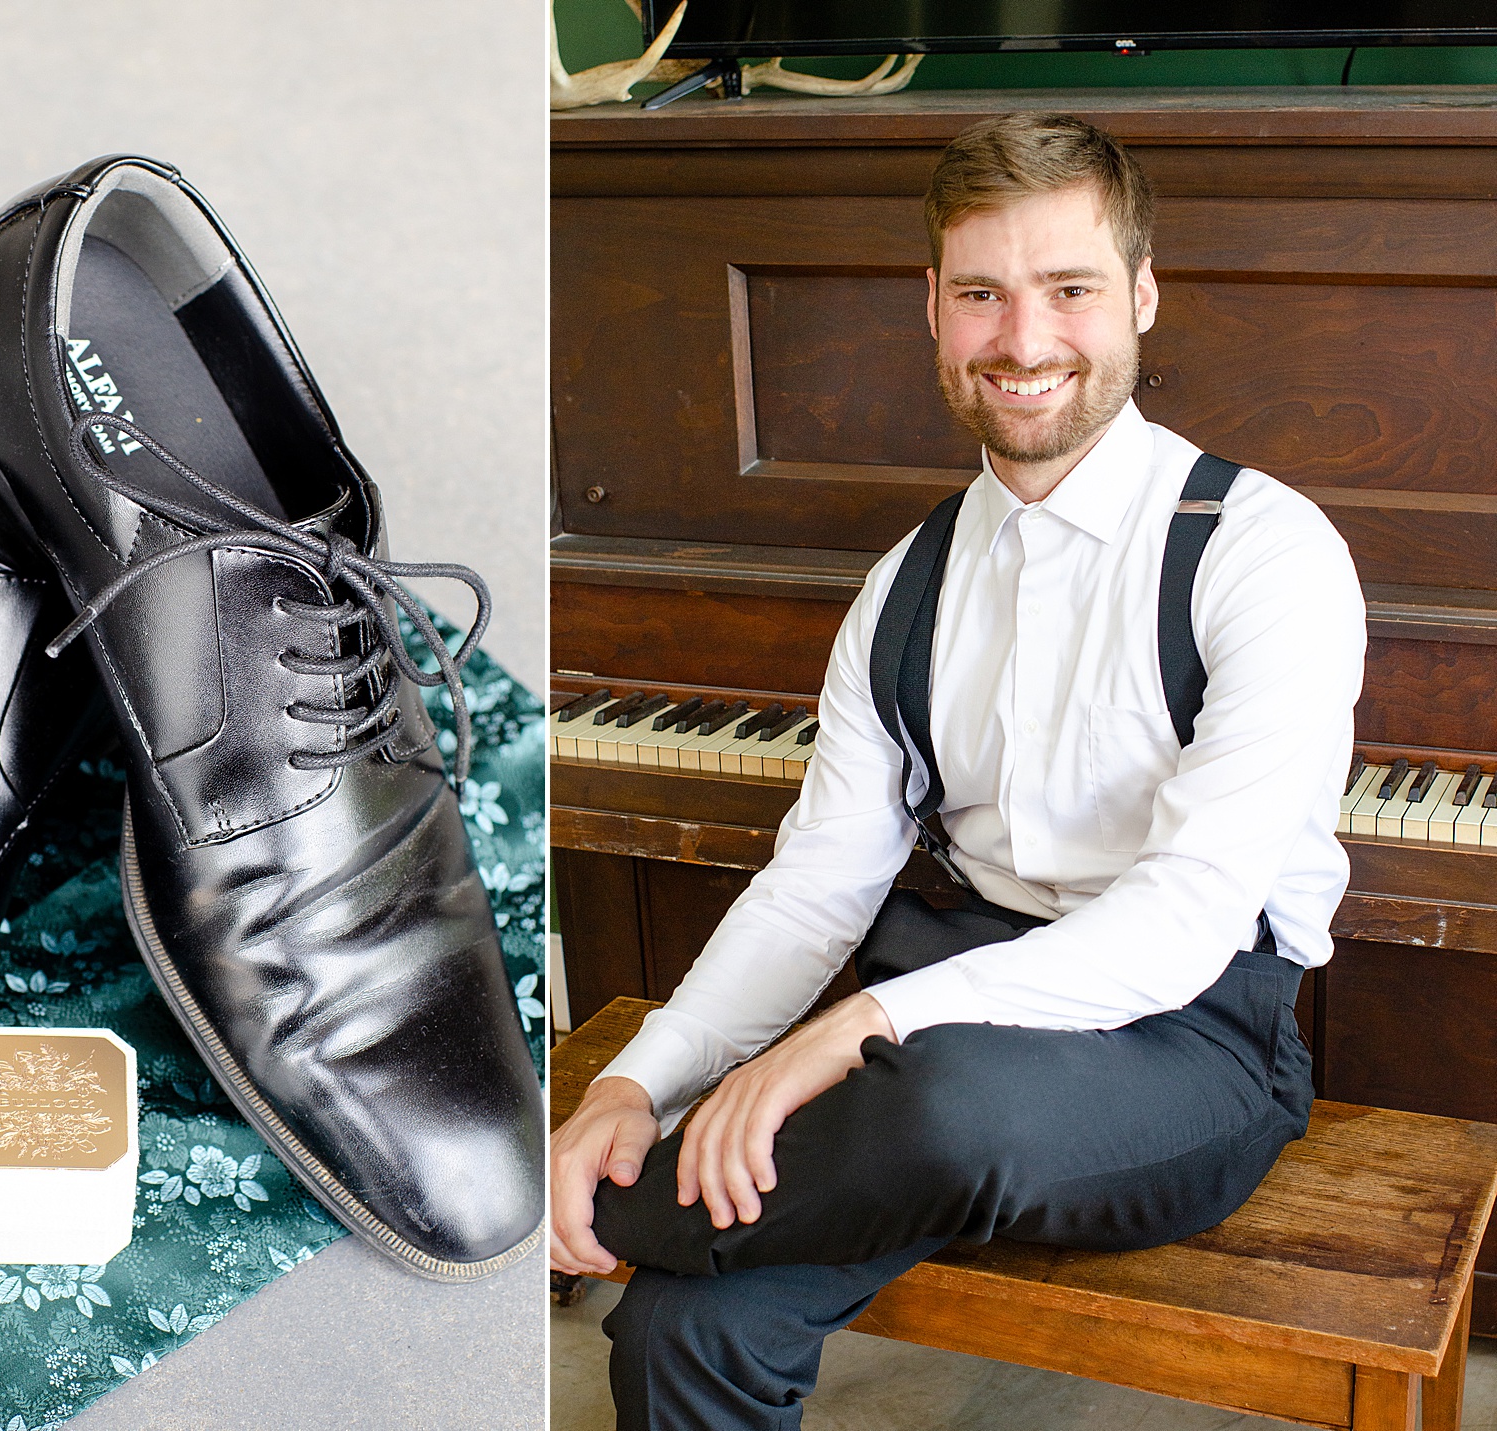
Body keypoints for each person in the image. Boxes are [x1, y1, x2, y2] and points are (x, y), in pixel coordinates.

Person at [548, 112, 1367, 1430]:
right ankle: (620, 1188)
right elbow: (819, 884)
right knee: (680, 1329)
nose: (1025, 341)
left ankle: (560, 1211)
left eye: (1071, 290)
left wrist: (850, 1032)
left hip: (1189, 1038)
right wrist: (640, 1084)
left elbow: (1183, 921)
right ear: (932, 309)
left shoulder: (1264, 551)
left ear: (1143, 297)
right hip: (956, 1000)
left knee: (937, 1101)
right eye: (982, 294)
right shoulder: (906, 587)